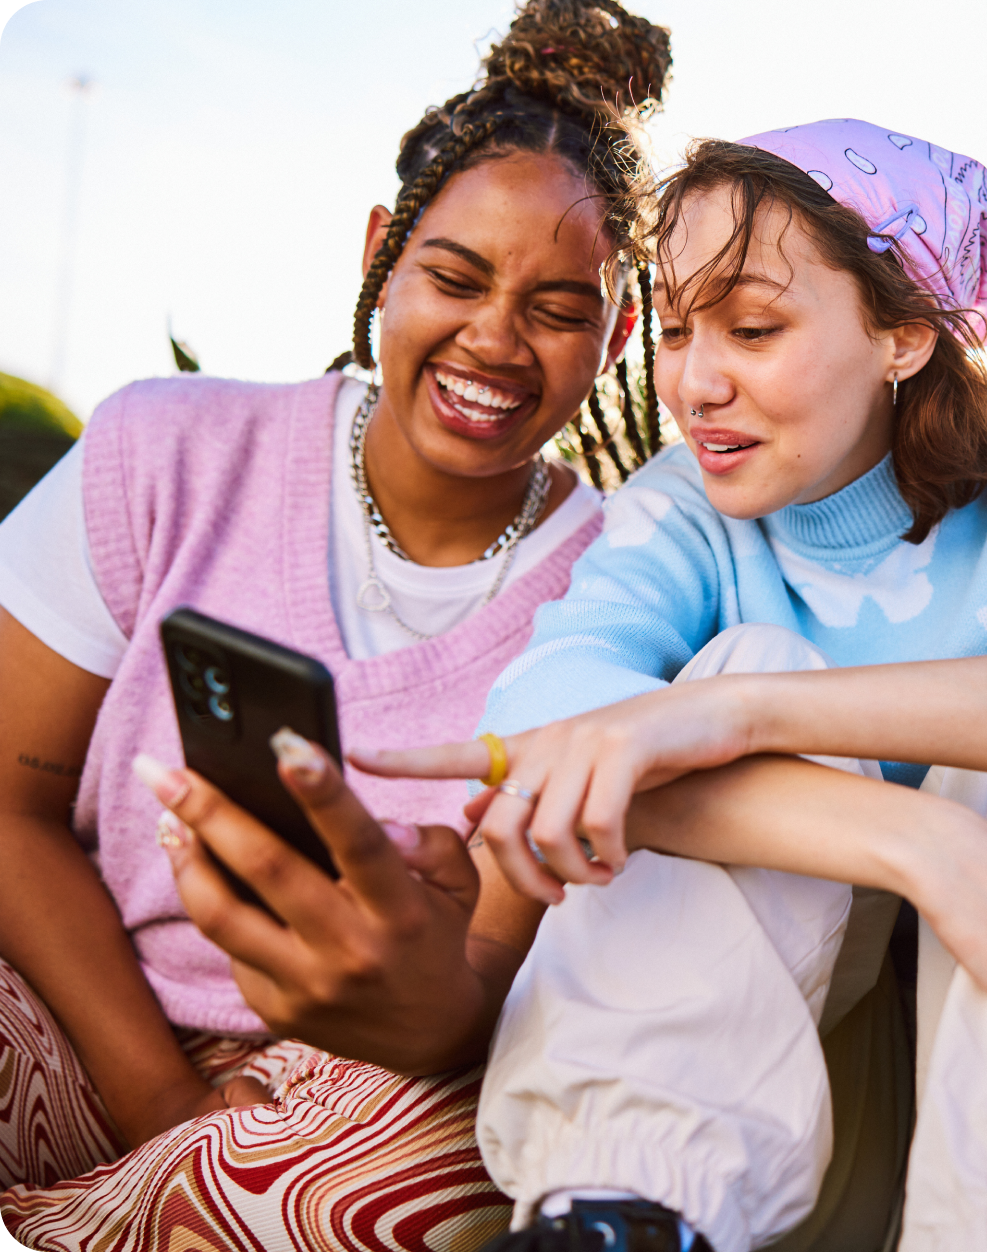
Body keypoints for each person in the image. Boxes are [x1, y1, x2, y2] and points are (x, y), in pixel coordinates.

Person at [147, 120, 987, 1252]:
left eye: (751, 327)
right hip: (770, 1113)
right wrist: (935, 850)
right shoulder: (683, 510)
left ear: (904, 335)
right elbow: (540, 734)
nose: (697, 382)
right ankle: (622, 1216)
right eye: (678, 327)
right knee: (708, 681)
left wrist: (739, 716)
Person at [0, 2, 671, 1247]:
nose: (493, 340)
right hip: (79, 1000)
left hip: (366, 1089)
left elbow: (496, 999)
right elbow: (7, 803)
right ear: (383, 253)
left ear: (618, 332)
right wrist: (160, 1096)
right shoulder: (163, 449)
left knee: (376, 1198)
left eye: (560, 309)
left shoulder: (632, 586)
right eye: (455, 277)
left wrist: (434, 988)